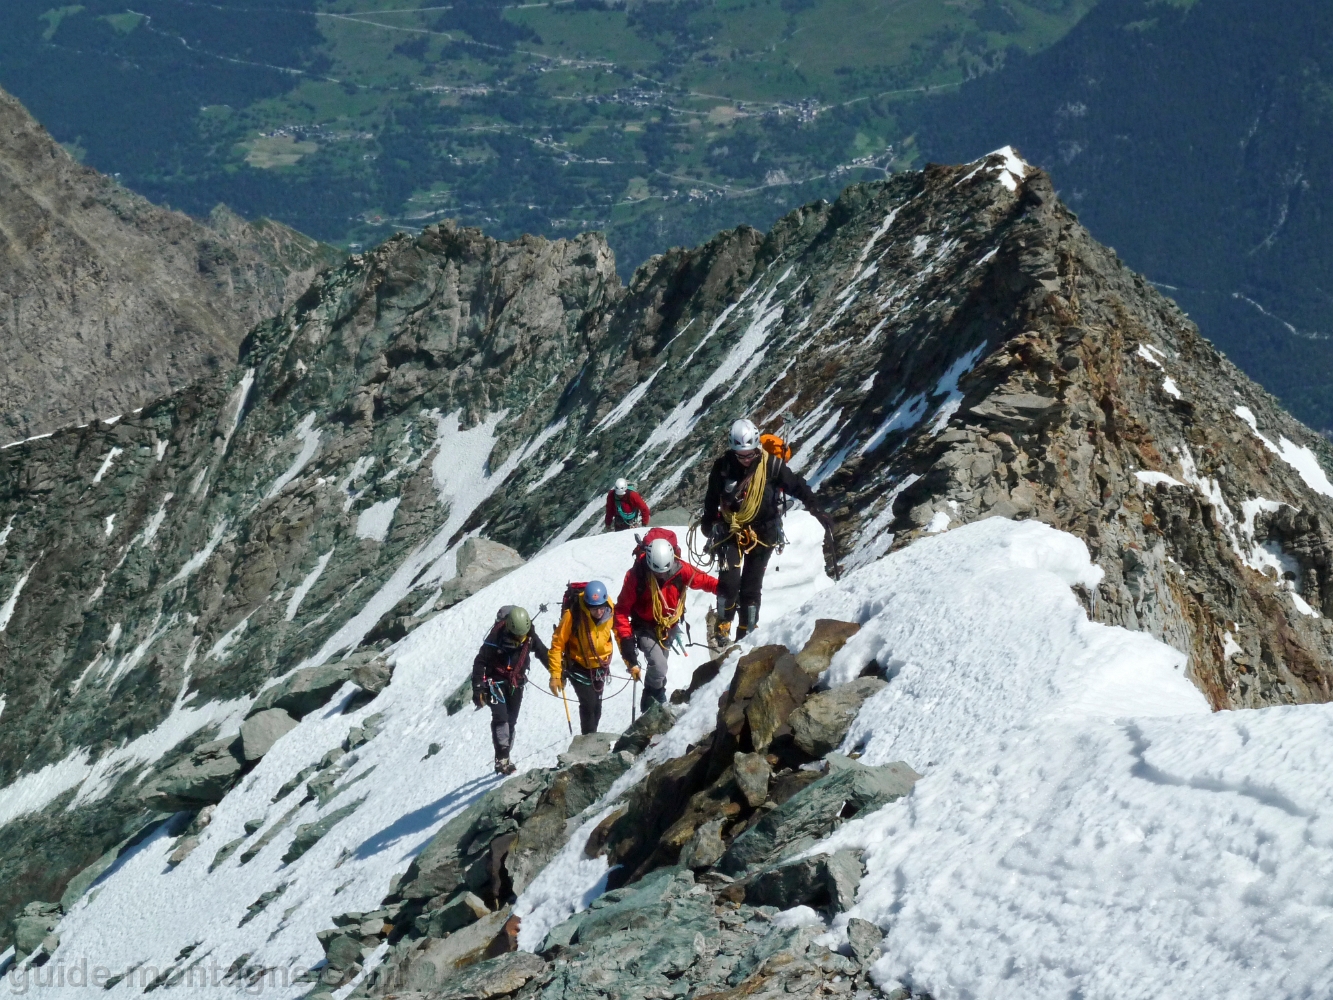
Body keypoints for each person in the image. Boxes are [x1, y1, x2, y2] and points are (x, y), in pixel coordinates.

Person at [702, 418, 834, 644]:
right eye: (741, 455)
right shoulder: (723, 467)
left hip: (764, 532)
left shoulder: (772, 466)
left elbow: (798, 486)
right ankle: (723, 627)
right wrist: (709, 520)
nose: (746, 459)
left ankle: (746, 634)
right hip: (730, 529)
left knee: (751, 588)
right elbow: (712, 498)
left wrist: (817, 509)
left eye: (750, 454)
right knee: (729, 583)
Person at [614, 530, 718, 709]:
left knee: (661, 667)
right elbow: (621, 610)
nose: (661, 576)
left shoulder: (680, 569)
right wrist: (626, 641)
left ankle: (654, 702)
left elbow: (702, 580)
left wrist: (726, 589)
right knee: (659, 665)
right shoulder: (636, 576)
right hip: (644, 627)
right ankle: (653, 699)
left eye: (664, 571)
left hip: (668, 626)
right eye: (656, 572)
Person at [472, 605, 550, 775]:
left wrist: (557, 672)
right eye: (519, 636)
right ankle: (502, 758)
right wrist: (478, 688)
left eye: (524, 635)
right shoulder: (496, 637)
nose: (522, 638)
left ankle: (504, 754)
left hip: (516, 683)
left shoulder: (529, 636)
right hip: (495, 682)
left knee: (511, 721)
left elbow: (543, 653)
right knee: (501, 718)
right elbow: (480, 661)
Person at [547, 580, 632, 734]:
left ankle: (590, 739)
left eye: (600, 608)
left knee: (597, 708)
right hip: (578, 666)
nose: (598, 612)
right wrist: (555, 675)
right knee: (589, 705)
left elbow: (620, 636)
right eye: (594, 609)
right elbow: (557, 645)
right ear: (587, 605)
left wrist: (630, 663)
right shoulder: (573, 615)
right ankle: (588, 741)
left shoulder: (610, 611)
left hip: (599, 668)